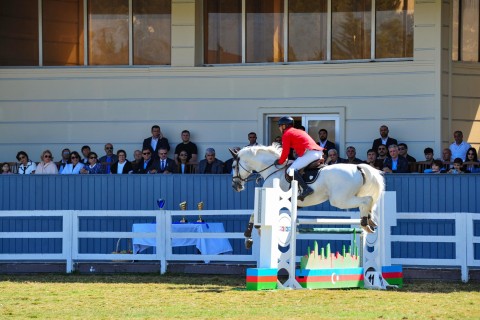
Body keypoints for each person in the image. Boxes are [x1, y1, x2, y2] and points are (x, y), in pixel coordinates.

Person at [274, 116, 323, 201]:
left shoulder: (287, 134)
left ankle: (306, 188)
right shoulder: (298, 131)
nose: (279, 128)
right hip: (316, 152)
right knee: (294, 165)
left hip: (310, 153)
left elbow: (285, 152)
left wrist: (280, 161)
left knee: (290, 170)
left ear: (284, 126)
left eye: (280, 126)